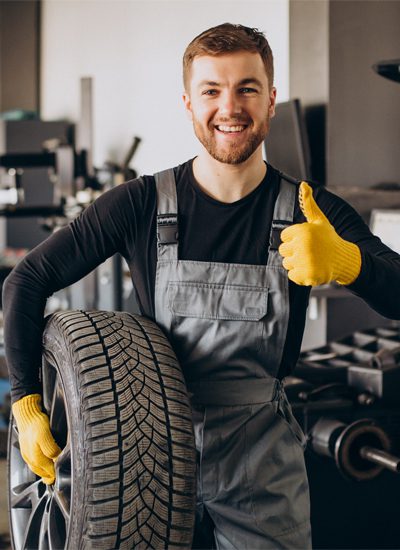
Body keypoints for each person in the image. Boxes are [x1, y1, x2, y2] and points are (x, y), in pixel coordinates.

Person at [3, 22, 400, 549]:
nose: (229, 107)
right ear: (188, 103)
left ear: (272, 100)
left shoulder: (310, 209)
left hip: (261, 462)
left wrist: (349, 262)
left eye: (247, 89)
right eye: (211, 90)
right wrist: (27, 402)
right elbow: (27, 280)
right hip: (144, 456)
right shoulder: (140, 203)